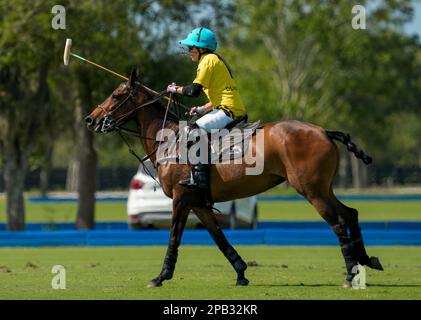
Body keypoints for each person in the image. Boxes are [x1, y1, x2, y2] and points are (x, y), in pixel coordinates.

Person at [166, 27, 247, 192]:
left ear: (201, 48)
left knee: (191, 130)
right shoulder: (213, 60)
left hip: (228, 111)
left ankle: (199, 179)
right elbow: (219, 95)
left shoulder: (207, 60)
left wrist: (175, 89)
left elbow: (193, 91)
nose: (189, 51)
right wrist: (202, 109)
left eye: (191, 47)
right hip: (228, 108)